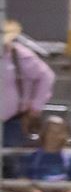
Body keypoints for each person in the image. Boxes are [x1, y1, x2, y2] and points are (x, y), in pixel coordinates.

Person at [1, 20, 55, 148]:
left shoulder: (20, 55)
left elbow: (46, 76)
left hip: (13, 122)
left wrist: (35, 107)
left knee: (11, 158)